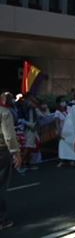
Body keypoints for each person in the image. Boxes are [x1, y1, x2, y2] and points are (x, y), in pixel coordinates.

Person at [1, 92, 22, 231]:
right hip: (1, 152)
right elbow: (9, 136)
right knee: (1, 185)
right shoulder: (4, 112)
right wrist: (16, 153)